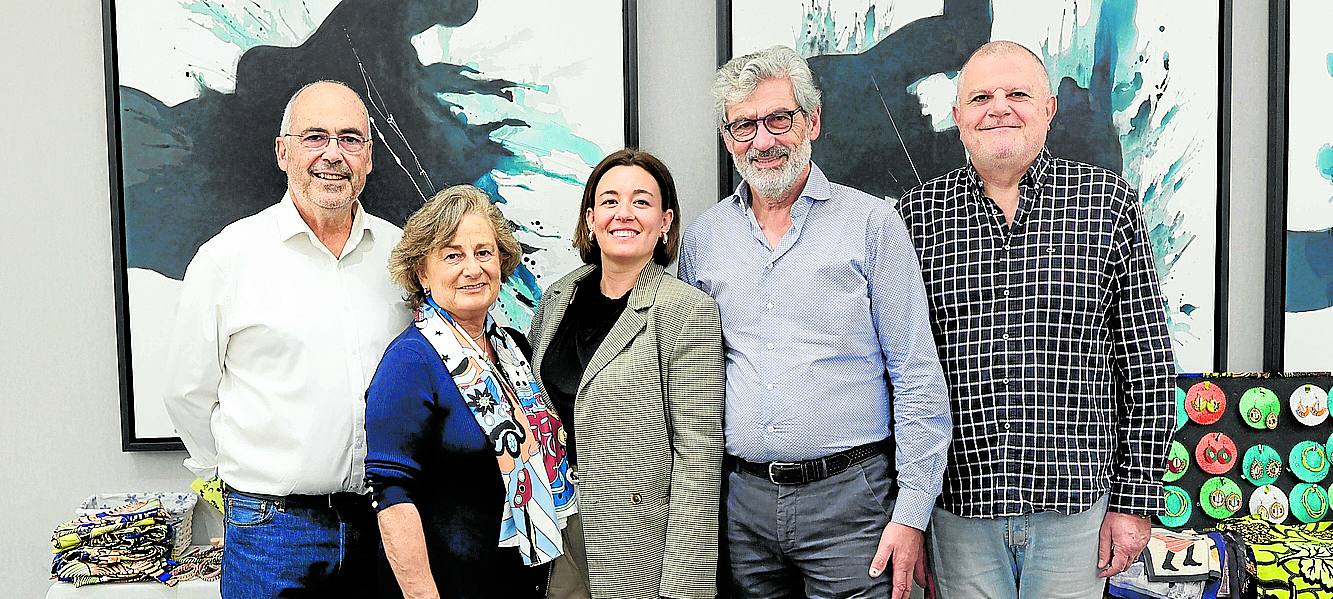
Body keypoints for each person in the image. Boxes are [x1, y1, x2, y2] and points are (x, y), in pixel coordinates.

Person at [896, 41, 1176, 598]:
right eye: (980, 97)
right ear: (957, 118)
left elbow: (1146, 363)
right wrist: (912, 515)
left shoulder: (1108, 204)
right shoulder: (913, 216)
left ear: (1048, 108)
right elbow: (897, 375)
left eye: (1017, 94)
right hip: (958, 511)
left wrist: (1135, 503)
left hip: (1077, 509)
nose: (998, 107)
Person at [678, 46, 952, 599]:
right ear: (729, 140)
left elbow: (917, 376)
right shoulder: (704, 241)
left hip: (853, 504)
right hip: (742, 510)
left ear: (813, 121)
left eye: (779, 118)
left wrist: (912, 514)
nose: (763, 139)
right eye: (744, 126)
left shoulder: (873, 224)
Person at [164, 80, 410, 597]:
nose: (332, 155)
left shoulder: (401, 257)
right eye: (314, 137)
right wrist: (234, 479)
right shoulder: (227, 259)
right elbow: (188, 393)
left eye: (349, 139)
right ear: (283, 151)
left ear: (368, 157)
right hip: (271, 531)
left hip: (383, 525)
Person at [529, 149, 726, 599]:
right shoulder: (558, 298)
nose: (625, 214)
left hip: (637, 546)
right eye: (610, 200)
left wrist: (684, 589)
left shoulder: (685, 311)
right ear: (591, 217)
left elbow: (698, 459)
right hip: (555, 534)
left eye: (642, 201)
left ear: (665, 221)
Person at [364, 184, 576, 598]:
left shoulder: (514, 347)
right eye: (452, 255)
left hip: (517, 580)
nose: (473, 268)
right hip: (444, 586)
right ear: (422, 273)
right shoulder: (410, 362)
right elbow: (392, 495)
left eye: (484, 252)